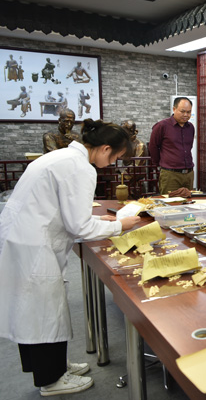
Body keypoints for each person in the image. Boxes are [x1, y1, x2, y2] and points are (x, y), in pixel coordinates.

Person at [0, 119, 141, 396]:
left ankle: (54, 368)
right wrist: (119, 225)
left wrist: (100, 222)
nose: (113, 163)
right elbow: (80, 227)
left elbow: (69, 213)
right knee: (43, 312)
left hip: (23, 238)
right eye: (116, 157)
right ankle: (51, 380)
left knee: (35, 312)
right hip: (34, 245)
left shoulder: (64, 157)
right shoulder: (80, 168)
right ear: (104, 148)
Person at [150, 97, 195, 195]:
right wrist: (161, 164)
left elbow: (189, 147)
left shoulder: (190, 127)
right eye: (182, 111)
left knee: (189, 202)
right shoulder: (162, 126)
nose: (186, 115)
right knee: (169, 203)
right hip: (170, 174)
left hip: (189, 174)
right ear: (174, 109)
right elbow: (153, 147)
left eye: (188, 112)